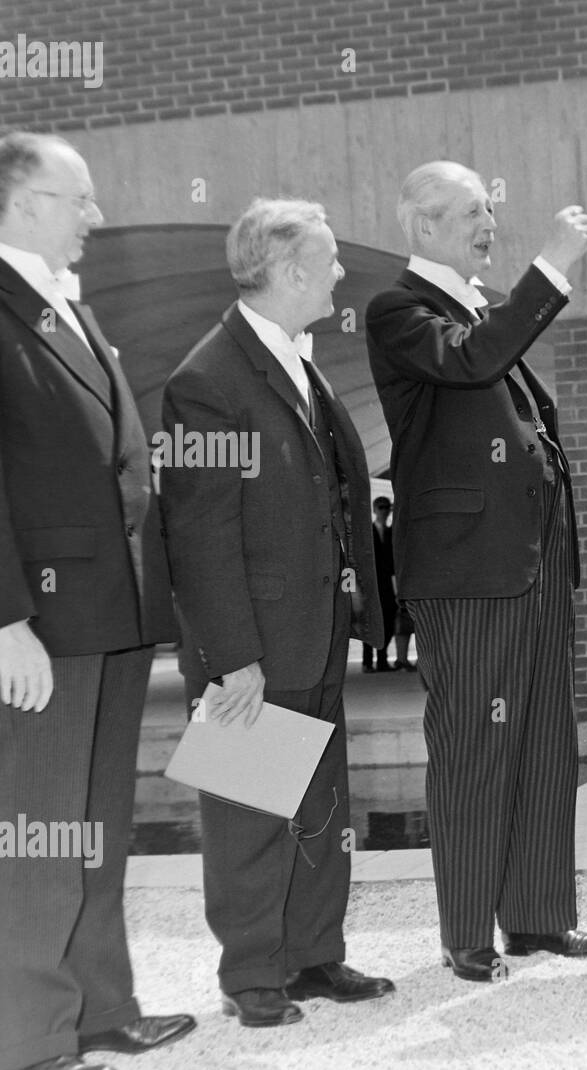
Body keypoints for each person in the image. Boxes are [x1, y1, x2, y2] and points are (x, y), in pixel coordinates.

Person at [366, 161, 587, 982]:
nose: (489, 224)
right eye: (473, 211)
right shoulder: (400, 309)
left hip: (533, 562)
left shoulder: (475, 304)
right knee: (475, 745)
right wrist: (549, 270)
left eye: (490, 211)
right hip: (467, 571)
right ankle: (467, 932)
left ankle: (539, 919)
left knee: (545, 740)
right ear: (426, 225)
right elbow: (471, 362)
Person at [160, 198, 394, 1028]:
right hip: (254, 642)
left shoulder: (298, 359)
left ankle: (311, 954)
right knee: (249, 808)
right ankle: (252, 974)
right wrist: (232, 658)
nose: (339, 275)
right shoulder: (206, 381)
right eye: (329, 263)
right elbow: (198, 533)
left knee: (320, 798)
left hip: (317, 628)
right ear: (292, 273)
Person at [0, 132, 194, 1070]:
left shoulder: (68, 309)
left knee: (97, 825)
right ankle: (31, 1043)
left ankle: (104, 1009)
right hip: (40, 623)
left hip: (110, 614)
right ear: (24, 199)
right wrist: (3, 624)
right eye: (79, 197)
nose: (96, 214)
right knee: (38, 830)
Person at [362, 495, 397, 672]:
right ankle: (367, 662)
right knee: (369, 622)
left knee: (388, 621)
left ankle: (382, 660)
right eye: (381, 507)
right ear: (375, 510)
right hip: (370, 585)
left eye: (387, 507)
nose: (384, 511)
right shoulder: (367, 532)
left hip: (387, 585)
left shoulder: (392, 533)